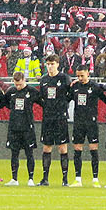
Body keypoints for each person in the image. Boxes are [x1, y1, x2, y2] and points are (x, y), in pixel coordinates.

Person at [35, 55, 72, 186]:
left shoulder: (64, 78)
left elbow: (71, 94)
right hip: (48, 118)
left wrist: (61, 105)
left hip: (60, 117)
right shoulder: (44, 80)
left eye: (52, 64)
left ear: (57, 64)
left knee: (62, 148)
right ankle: (45, 179)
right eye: (48, 64)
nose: (50, 66)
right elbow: (41, 98)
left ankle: (65, 179)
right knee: (46, 148)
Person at [0, 70, 39, 186]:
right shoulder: (11, 91)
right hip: (14, 126)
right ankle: (14, 179)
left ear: (24, 80)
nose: (18, 86)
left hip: (27, 127)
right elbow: (5, 103)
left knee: (29, 153)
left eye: (20, 84)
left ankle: (31, 179)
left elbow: (42, 102)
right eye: (16, 84)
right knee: (14, 153)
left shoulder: (32, 91)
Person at [69, 64, 105, 187]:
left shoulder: (95, 87)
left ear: (88, 74)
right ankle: (78, 178)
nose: (80, 78)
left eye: (82, 75)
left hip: (91, 122)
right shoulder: (74, 87)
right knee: (77, 150)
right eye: (78, 76)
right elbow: (66, 99)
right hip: (78, 122)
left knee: (93, 150)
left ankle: (95, 178)